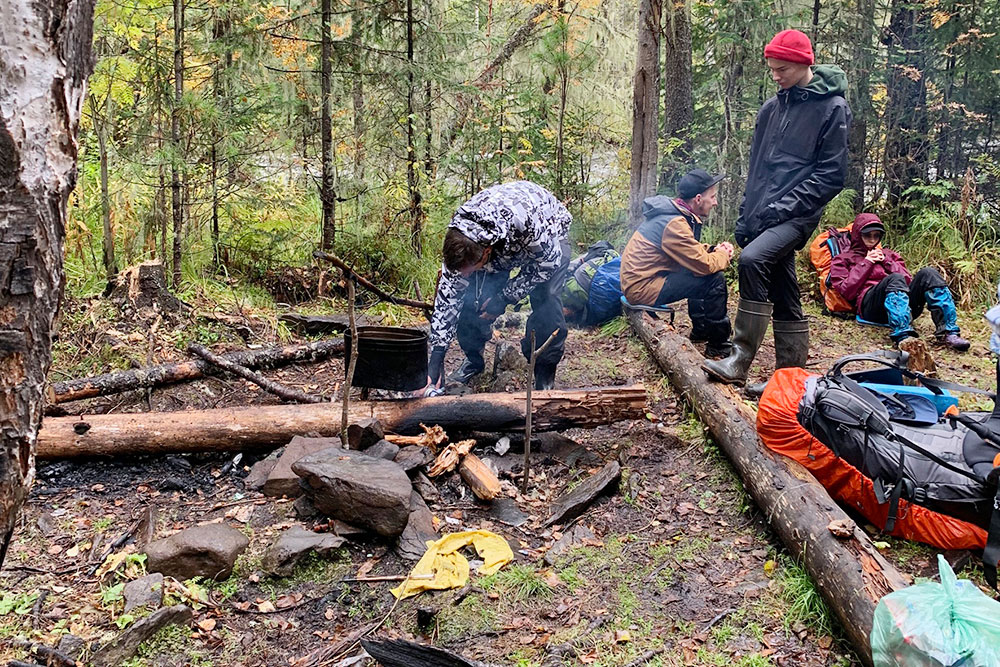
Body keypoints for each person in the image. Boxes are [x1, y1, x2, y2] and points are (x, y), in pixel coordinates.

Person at [703, 29, 851, 385]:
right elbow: (757, 169)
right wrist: (745, 213)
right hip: (762, 212)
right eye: (771, 68)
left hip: (797, 215)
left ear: (804, 64)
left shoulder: (833, 108)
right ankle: (790, 377)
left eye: (782, 68)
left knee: (753, 260)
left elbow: (831, 175)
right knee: (784, 289)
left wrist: (782, 208)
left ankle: (738, 360)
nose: (775, 75)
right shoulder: (771, 108)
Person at [424, 181, 572, 394]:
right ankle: (474, 360)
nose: (464, 274)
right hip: (502, 246)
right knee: (470, 298)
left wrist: (503, 298)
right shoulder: (461, 234)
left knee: (547, 299)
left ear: (485, 253)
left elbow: (548, 264)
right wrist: (436, 357)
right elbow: (449, 299)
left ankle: (544, 373)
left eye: (469, 269)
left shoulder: (526, 222)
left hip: (548, 238)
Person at [619, 169, 735, 357]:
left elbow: (689, 251)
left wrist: (713, 249)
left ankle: (702, 331)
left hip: (641, 281)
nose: (715, 202)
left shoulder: (674, 214)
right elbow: (703, 265)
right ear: (698, 199)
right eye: (712, 197)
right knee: (715, 279)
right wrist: (723, 255)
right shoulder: (674, 223)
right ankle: (720, 347)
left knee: (698, 272)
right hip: (641, 288)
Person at [828, 213, 970, 351]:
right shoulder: (843, 259)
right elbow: (847, 291)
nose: (872, 240)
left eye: (876, 235)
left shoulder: (889, 254)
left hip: (902, 303)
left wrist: (887, 261)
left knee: (929, 273)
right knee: (894, 279)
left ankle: (949, 332)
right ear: (858, 235)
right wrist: (867, 262)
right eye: (867, 235)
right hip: (870, 307)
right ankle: (903, 335)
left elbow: (907, 280)